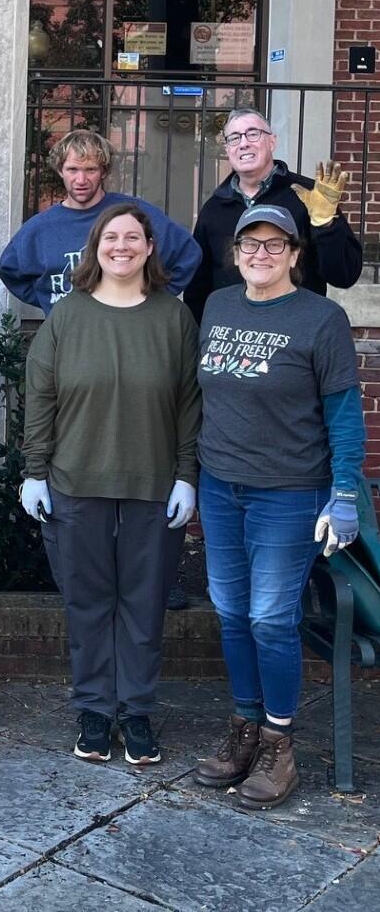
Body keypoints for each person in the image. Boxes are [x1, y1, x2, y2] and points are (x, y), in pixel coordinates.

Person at [193, 204, 365, 809]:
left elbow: (344, 415)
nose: (260, 255)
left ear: (295, 254)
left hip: (289, 492)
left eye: (274, 245)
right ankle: (245, 726)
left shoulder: (322, 320)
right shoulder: (217, 306)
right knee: (231, 611)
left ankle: (279, 742)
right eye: (249, 244)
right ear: (234, 252)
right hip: (220, 485)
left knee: (270, 617)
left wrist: (344, 493)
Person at [20, 203, 201, 767]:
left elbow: (190, 403)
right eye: (110, 237)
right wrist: (34, 472)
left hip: (153, 483)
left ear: (150, 249)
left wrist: (186, 476)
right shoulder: (66, 317)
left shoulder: (174, 318)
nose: (121, 246)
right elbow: (41, 399)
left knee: (144, 606)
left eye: (133, 237)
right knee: (89, 603)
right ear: (96, 248)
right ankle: (96, 709)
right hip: (75, 480)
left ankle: (138, 711)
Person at [184, 109, 362, 323]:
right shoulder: (214, 209)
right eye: (234, 138)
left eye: (252, 134)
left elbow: (344, 275)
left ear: (272, 141)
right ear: (227, 149)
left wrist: (325, 225)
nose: (243, 143)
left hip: (297, 332)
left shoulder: (310, 197)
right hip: (232, 336)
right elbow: (198, 287)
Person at [0, 128, 201, 314]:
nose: (81, 180)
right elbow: (10, 270)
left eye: (90, 170)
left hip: (126, 332)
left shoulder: (134, 214)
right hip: (68, 337)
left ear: (103, 172)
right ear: (60, 170)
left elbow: (188, 254)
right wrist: (49, 300)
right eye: (72, 170)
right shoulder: (39, 228)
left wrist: (154, 300)